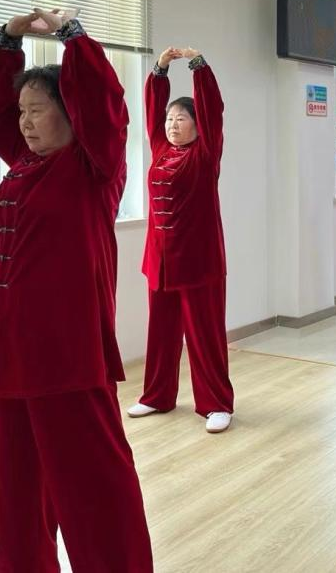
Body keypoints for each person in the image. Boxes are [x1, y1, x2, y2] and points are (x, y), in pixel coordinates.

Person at [0, 9, 152, 571]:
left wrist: (73, 37)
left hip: (67, 354)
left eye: (38, 110)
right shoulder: (23, 163)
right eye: (22, 111)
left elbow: (105, 106)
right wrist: (8, 42)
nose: (25, 123)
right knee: (17, 488)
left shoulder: (92, 169)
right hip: (7, 353)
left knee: (92, 485)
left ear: (71, 112)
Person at [126, 46, 234, 434]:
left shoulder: (206, 153)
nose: (172, 124)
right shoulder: (160, 148)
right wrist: (159, 69)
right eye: (170, 118)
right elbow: (151, 111)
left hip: (198, 261)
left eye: (181, 118)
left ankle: (216, 403)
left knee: (204, 335)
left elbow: (213, 110)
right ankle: (157, 396)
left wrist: (198, 67)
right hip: (159, 260)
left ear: (198, 125)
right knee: (161, 332)